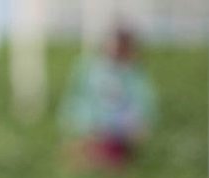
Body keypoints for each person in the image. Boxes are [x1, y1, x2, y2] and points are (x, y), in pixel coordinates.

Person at [59, 28, 157, 170]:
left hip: (119, 130)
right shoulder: (91, 69)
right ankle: (91, 156)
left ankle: (99, 158)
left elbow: (143, 106)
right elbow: (79, 101)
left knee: (112, 152)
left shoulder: (134, 75)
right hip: (94, 126)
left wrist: (137, 125)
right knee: (92, 146)